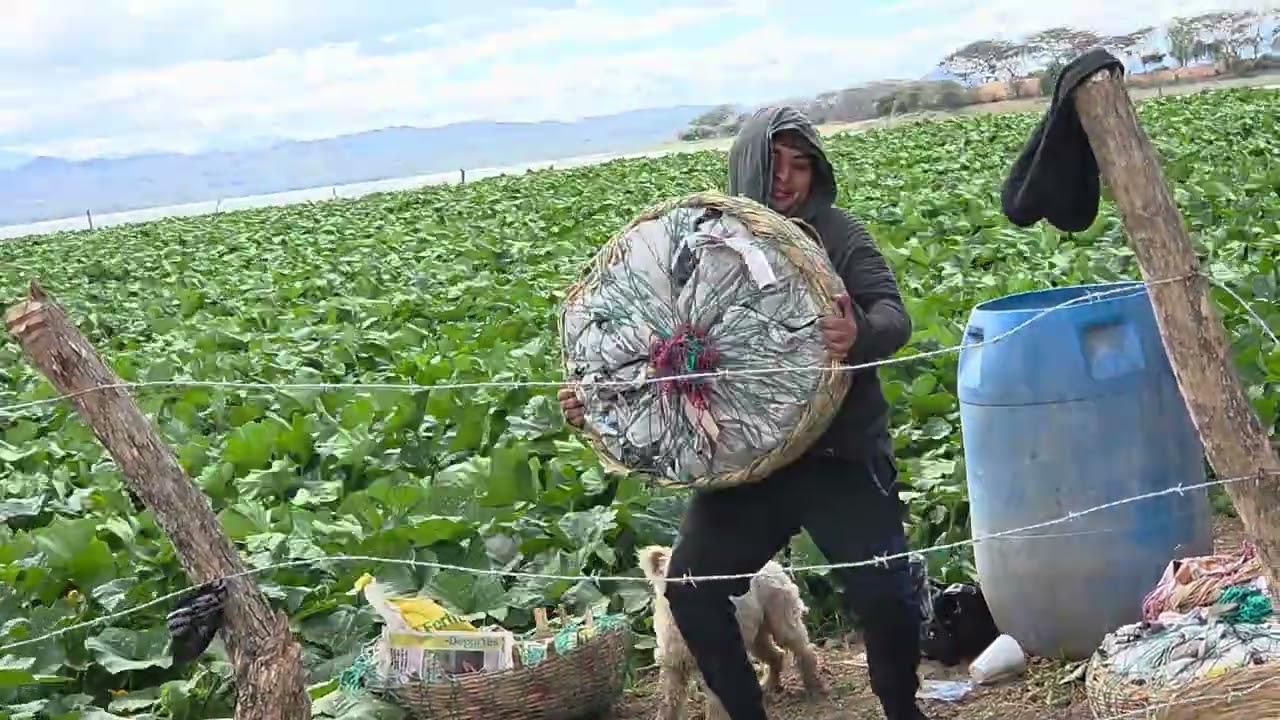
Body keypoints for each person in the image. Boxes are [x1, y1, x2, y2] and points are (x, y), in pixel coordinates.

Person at [558, 105, 927, 720]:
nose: (787, 179)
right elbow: (653, 345)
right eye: (773, 163)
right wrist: (598, 401)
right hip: (745, 464)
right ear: (744, 165)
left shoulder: (836, 235)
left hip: (839, 453)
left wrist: (856, 330)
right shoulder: (698, 245)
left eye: (801, 165)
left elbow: (894, 315)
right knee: (690, 589)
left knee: (882, 592)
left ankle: (900, 708)